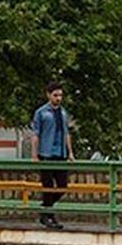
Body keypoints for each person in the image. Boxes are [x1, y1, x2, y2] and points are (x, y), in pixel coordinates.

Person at [30, 81, 75, 229]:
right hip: (46, 153)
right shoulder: (41, 113)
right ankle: (48, 215)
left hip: (60, 153)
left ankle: (45, 210)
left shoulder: (63, 112)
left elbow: (67, 133)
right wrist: (34, 155)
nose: (58, 98)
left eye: (60, 95)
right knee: (48, 186)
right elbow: (35, 134)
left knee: (62, 186)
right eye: (55, 95)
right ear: (48, 95)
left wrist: (70, 153)